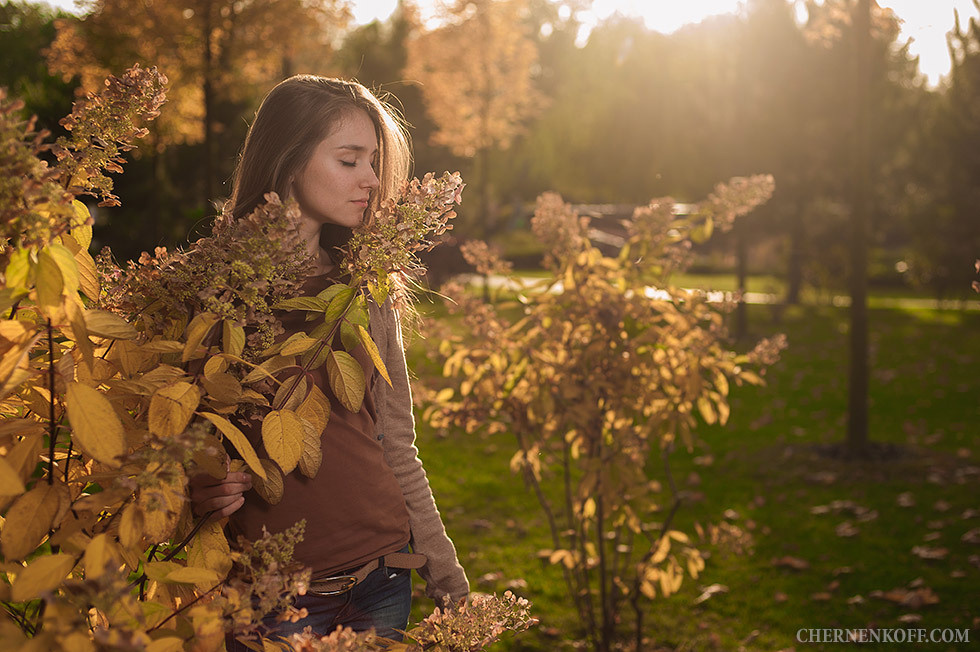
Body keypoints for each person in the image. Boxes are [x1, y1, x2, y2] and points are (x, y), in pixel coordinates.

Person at [188, 75, 469, 645]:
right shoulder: (211, 285)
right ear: (289, 161)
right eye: (349, 160)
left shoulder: (368, 284)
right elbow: (181, 428)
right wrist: (194, 487)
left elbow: (396, 441)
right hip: (271, 594)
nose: (371, 179)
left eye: (373, 160)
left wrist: (445, 570)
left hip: (383, 576)